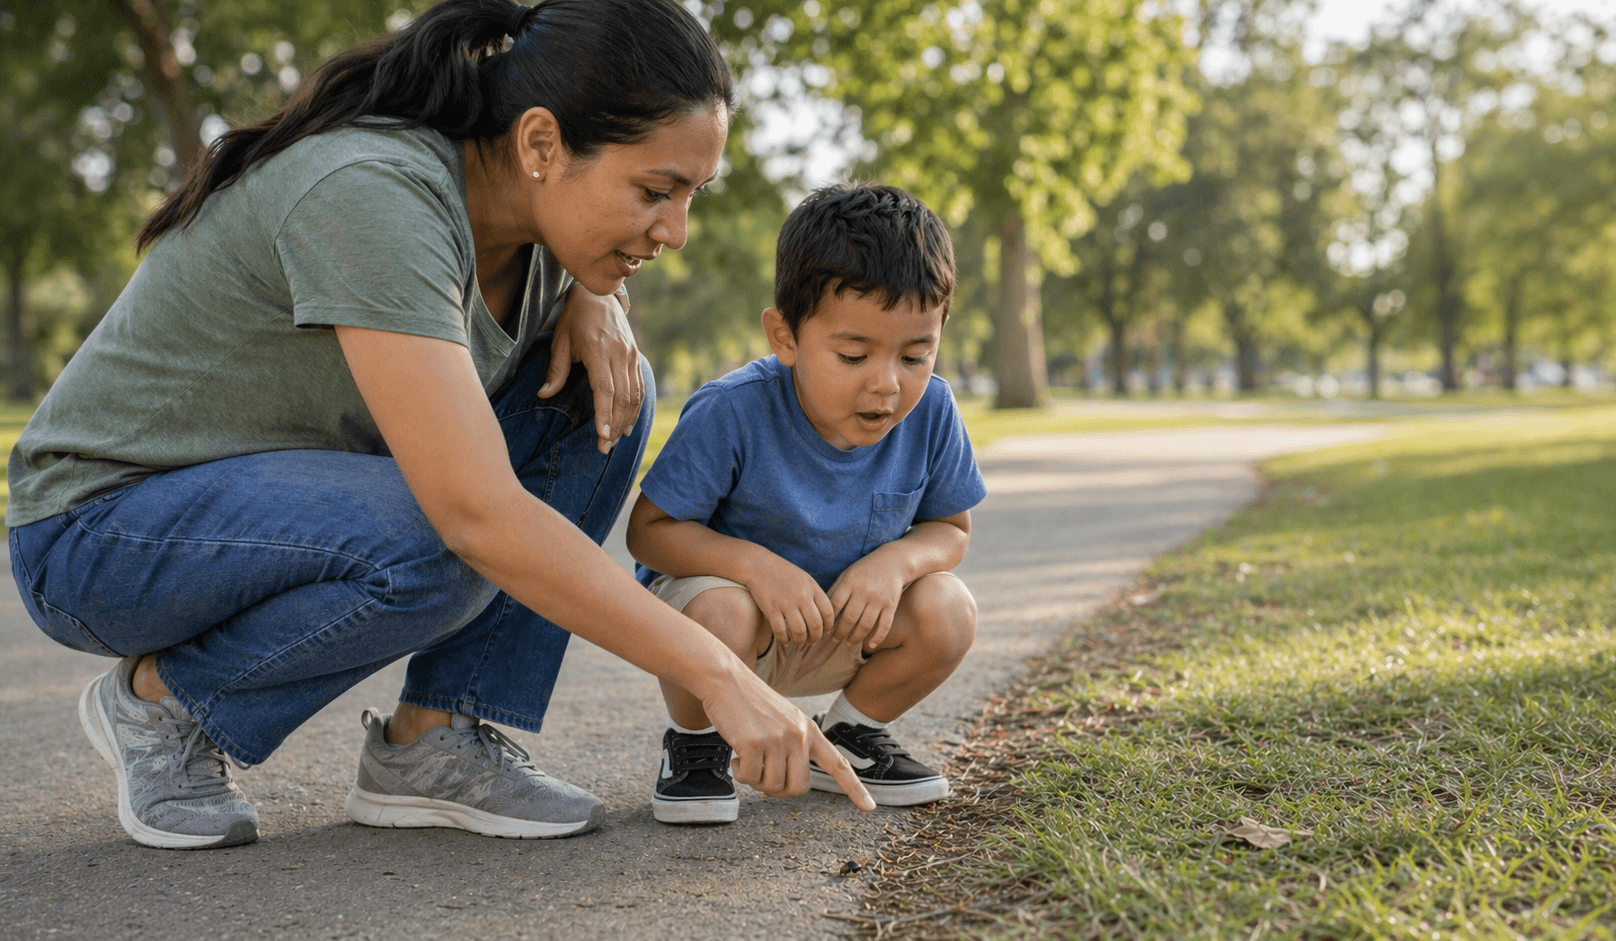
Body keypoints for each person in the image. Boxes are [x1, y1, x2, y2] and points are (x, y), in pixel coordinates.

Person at [7, 0, 871, 851]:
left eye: (691, 193)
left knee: (607, 391)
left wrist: (596, 292)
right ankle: (165, 704)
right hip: (98, 530)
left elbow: (499, 459)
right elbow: (475, 512)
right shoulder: (373, 190)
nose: (676, 230)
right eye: (656, 190)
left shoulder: (537, 237)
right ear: (540, 143)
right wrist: (718, 673)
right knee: (450, 533)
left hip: (256, 510)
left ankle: (435, 737)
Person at [625, 183, 986, 825]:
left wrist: (896, 565)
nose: (887, 382)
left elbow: (950, 530)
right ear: (784, 336)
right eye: (853, 354)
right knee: (723, 610)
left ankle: (846, 736)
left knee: (949, 609)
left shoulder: (932, 410)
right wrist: (756, 567)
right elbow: (649, 534)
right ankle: (697, 743)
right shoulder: (732, 410)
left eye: (915, 355)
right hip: (733, 636)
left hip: (846, 627)